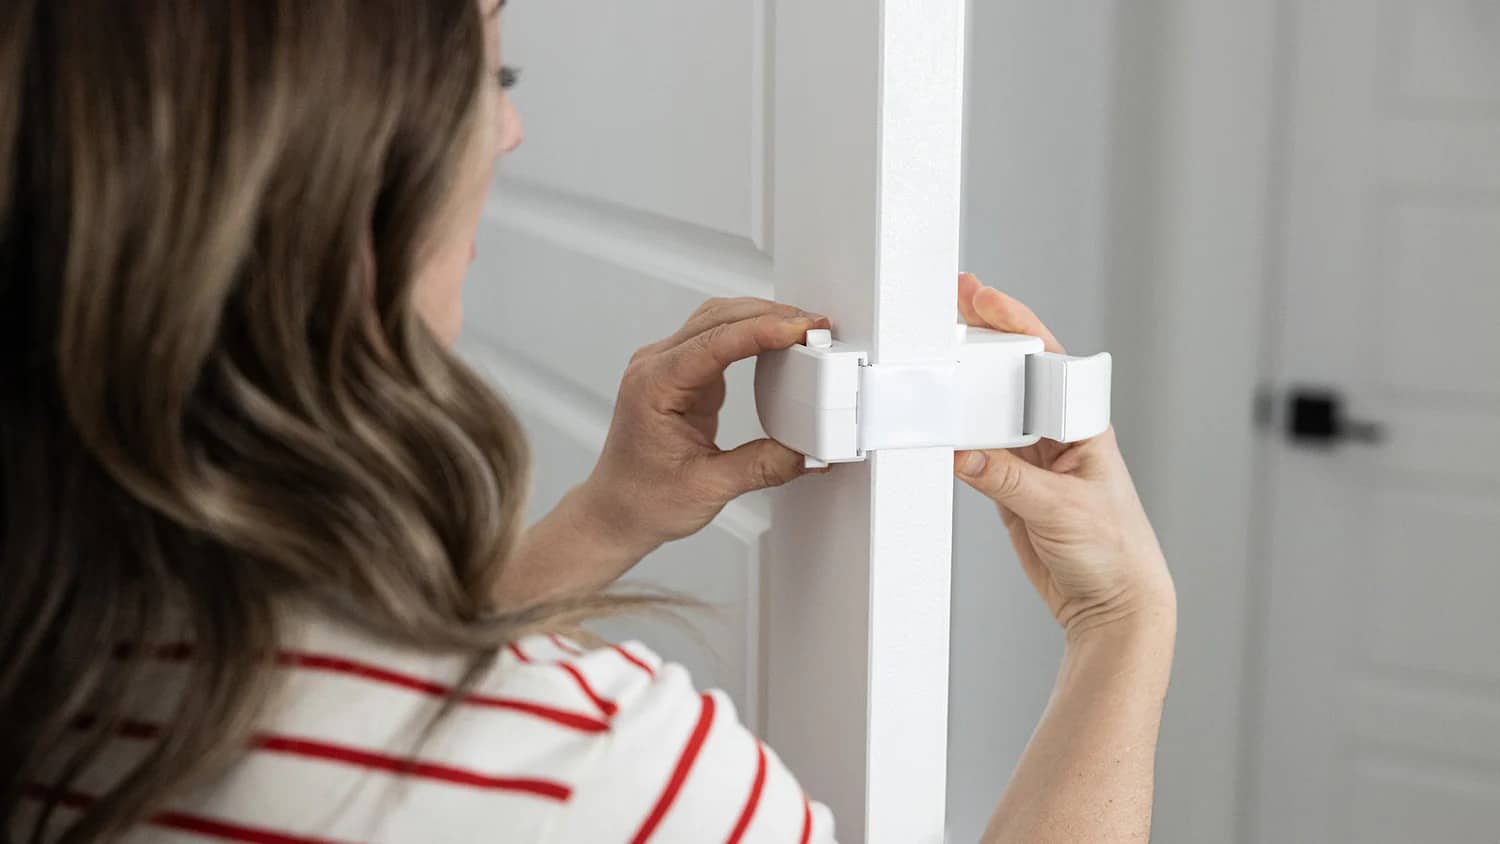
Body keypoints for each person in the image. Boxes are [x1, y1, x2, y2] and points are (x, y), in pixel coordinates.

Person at [0, 1, 1175, 841]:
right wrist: (1122, 627)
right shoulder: (594, 773)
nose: (506, 132)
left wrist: (608, 516)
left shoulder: (66, 627)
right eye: (491, 78)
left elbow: (342, 695)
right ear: (335, 169)